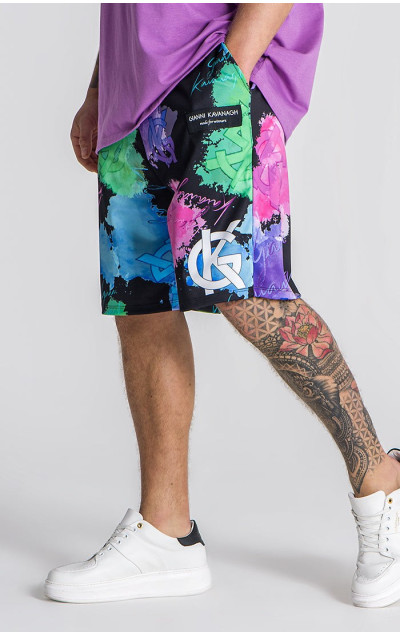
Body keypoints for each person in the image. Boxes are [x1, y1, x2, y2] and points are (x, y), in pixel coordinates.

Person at [44, 3, 400, 609]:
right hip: (133, 97)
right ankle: (165, 534)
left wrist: (230, 69)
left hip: (218, 74)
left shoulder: (225, 73)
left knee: (251, 293)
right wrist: (100, 84)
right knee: (142, 300)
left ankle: (381, 481)